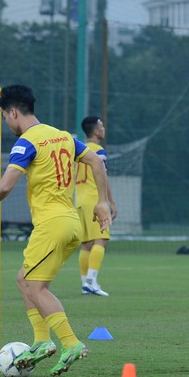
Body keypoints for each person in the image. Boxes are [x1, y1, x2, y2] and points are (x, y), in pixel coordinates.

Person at [0, 85, 111, 376]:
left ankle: (71, 343)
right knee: (23, 279)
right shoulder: (63, 136)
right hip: (70, 222)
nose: (7, 125)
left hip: (51, 225)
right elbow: (97, 161)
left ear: (13, 112)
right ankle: (40, 340)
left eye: (5, 118)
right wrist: (101, 201)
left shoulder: (26, 143)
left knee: (36, 287)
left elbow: (5, 186)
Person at [75, 116, 117, 297]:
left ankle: (85, 283)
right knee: (102, 240)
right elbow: (102, 176)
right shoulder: (98, 151)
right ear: (94, 130)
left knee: (86, 244)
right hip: (94, 200)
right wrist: (111, 202)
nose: (104, 128)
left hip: (79, 200)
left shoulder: (78, 150)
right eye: (101, 126)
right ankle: (91, 282)